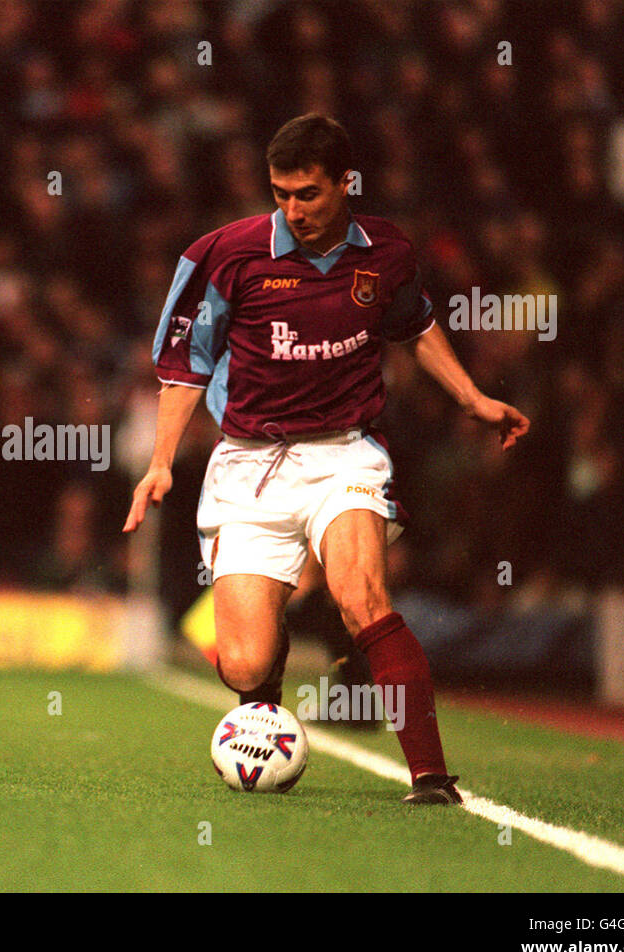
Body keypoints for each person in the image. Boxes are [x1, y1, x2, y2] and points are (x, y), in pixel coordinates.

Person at [123, 114, 530, 805]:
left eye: (307, 194)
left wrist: (470, 397)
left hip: (345, 455)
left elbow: (416, 325)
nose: (292, 209)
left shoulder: (386, 253)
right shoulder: (226, 255)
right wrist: (161, 460)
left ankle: (431, 777)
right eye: (281, 193)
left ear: (346, 183)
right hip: (248, 466)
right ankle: (269, 708)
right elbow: (185, 365)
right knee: (244, 663)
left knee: (362, 598)